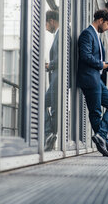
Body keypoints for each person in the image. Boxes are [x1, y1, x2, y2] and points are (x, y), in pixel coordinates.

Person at [77, 9, 108, 157]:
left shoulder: (97, 36)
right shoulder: (87, 34)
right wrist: (102, 64)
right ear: (100, 20)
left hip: (97, 80)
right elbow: (85, 56)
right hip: (90, 79)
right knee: (96, 113)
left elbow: (98, 61)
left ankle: (102, 138)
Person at [44, 10, 59, 151]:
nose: (45, 27)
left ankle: (49, 134)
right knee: (53, 109)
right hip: (56, 79)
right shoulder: (59, 35)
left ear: (51, 21)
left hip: (57, 80)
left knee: (42, 104)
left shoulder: (61, 35)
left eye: (46, 24)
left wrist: (50, 65)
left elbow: (63, 57)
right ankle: (50, 136)